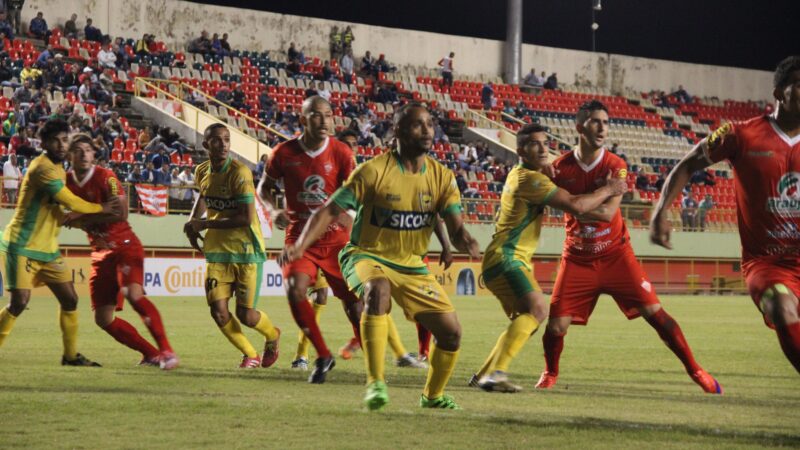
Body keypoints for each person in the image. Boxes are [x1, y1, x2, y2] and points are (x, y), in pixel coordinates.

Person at [281, 102, 481, 410]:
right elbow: (330, 209)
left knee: (451, 333)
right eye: (417, 124)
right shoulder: (373, 171)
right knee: (378, 290)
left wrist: (465, 240)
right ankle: (375, 383)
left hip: (411, 265)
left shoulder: (443, 177)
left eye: (429, 124)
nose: (427, 130)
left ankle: (433, 396)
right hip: (365, 255)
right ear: (398, 130)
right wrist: (301, 243)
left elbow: (455, 227)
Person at [536, 100, 721, 394]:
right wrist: (596, 196)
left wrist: (575, 205)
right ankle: (550, 373)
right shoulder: (558, 169)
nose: (602, 128)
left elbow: (608, 213)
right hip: (577, 258)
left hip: (616, 256)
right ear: (580, 126)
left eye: (606, 122)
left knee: (656, 314)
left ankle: (697, 371)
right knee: (556, 327)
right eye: (596, 121)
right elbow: (570, 203)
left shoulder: (616, 165)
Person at [651, 56, 800, 374]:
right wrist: (660, 211)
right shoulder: (739, 135)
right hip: (768, 265)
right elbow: (689, 163)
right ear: (778, 93)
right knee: (782, 306)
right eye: (799, 85)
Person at [471, 123, 627, 392]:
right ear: (520, 149)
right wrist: (608, 190)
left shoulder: (522, 174)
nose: (543, 148)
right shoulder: (529, 180)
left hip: (502, 258)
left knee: (526, 320)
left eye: (546, 143)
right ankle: (496, 374)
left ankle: (483, 374)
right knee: (539, 310)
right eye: (535, 144)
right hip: (507, 256)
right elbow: (576, 205)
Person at [258, 96, 365, 383]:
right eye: (316, 115)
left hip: (337, 239)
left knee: (355, 305)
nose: (325, 121)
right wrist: (274, 209)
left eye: (329, 115)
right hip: (299, 237)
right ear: (303, 120)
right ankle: (323, 355)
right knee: (295, 289)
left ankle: (369, 348)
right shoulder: (283, 153)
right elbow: (264, 187)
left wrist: (348, 212)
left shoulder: (342, 153)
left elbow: (355, 192)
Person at [0, 119, 120, 365]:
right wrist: (102, 207)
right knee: (19, 302)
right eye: (55, 140)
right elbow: (70, 201)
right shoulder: (42, 168)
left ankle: (70, 356)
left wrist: (73, 219)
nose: (61, 144)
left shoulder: (58, 170)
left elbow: (62, 207)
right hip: (21, 246)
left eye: (65, 139)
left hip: (48, 250)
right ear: (43, 143)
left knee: (70, 299)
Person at [63, 134, 178, 369]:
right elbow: (65, 216)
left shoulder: (107, 177)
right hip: (99, 253)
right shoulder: (65, 182)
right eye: (78, 150)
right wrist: (85, 215)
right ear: (69, 155)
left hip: (125, 245)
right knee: (103, 319)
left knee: (132, 293)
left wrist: (82, 216)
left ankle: (167, 351)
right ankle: (151, 354)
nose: (84, 154)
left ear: (94, 154)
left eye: (88, 149)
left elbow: (121, 212)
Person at [184, 124, 281, 369]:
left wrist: (204, 223)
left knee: (247, 315)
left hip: (246, 251)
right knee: (218, 311)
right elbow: (204, 196)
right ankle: (250, 355)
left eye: (227, 140)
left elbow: (245, 218)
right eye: (217, 140)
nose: (224, 144)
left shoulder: (240, 173)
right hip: (217, 252)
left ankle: (272, 336)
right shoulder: (202, 171)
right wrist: (192, 222)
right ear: (206, 144)